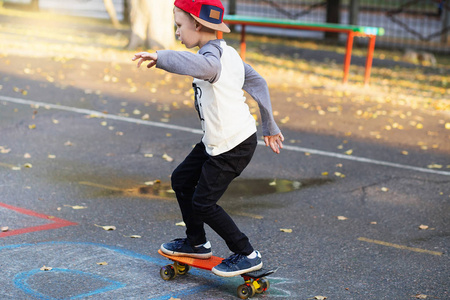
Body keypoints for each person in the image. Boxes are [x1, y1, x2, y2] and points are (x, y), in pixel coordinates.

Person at [132, 0, 284, 277]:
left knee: (203, 203)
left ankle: (247, 253)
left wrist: (162, 56)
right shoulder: (229, 54)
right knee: (181, 180)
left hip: (232, 145)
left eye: (179, 25)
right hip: (218, 139)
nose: (177, 32)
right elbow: (258, 82)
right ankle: (196, 243)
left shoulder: (212, 60)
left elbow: (204, 67)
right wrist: (270, 126)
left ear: (198, 24)